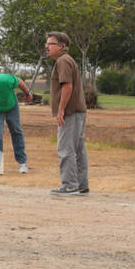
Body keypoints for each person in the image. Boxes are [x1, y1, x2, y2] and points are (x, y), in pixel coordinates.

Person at [45, 32, 88, 195]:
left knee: (65, 149)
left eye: (50, 44)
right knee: (78, 150)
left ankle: (69, 185)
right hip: (78, 112)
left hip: (70, 113)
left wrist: (61, 110)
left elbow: (67, 86)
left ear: (61, 46)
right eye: (46, 44)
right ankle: (81, 185)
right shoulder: (67, 60)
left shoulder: (63, 61)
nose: (47, 47)